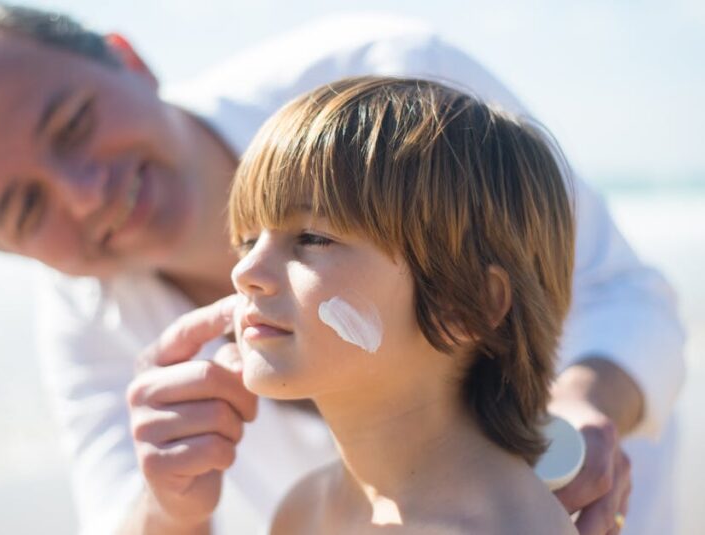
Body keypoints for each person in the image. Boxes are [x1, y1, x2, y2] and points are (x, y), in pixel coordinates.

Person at [0, 4, 685, 535]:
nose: (85, 192)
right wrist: (169, 506)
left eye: (72, 124)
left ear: (129, 59)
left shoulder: (406, 96)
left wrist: (582, 411)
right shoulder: (300, 509)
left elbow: (624, 293)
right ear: (8, 252)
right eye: (26, 207)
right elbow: (116, 514)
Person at [228, 75, 578, 534]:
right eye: (248, 240)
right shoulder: (305, 510)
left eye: (312, 238)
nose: (246, 271)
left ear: (464, 304)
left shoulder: (507, 526)